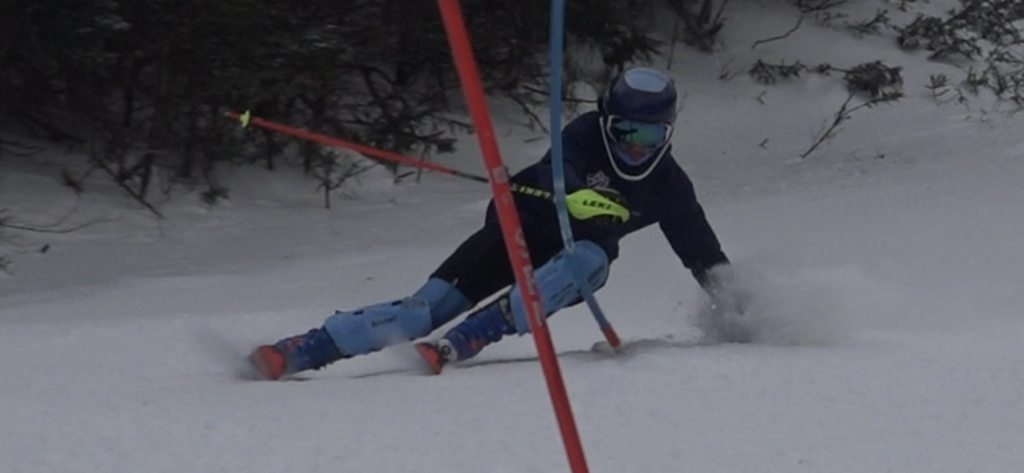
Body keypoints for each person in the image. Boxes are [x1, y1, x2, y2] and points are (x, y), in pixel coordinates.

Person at [249, 66, 731, 380]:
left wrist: (743, 307)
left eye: (650, 136)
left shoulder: (669, 186)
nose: (635, 146)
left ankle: (476, 333)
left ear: (667, 134)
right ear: (608, 122)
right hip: (515, 233)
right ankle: (304, 349)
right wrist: (578, 196)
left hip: (571, 263)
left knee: (588, 259)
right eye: (625, 132)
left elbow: (704, 255)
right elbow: (558, 171)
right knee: (423, 310)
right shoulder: (584, 134)